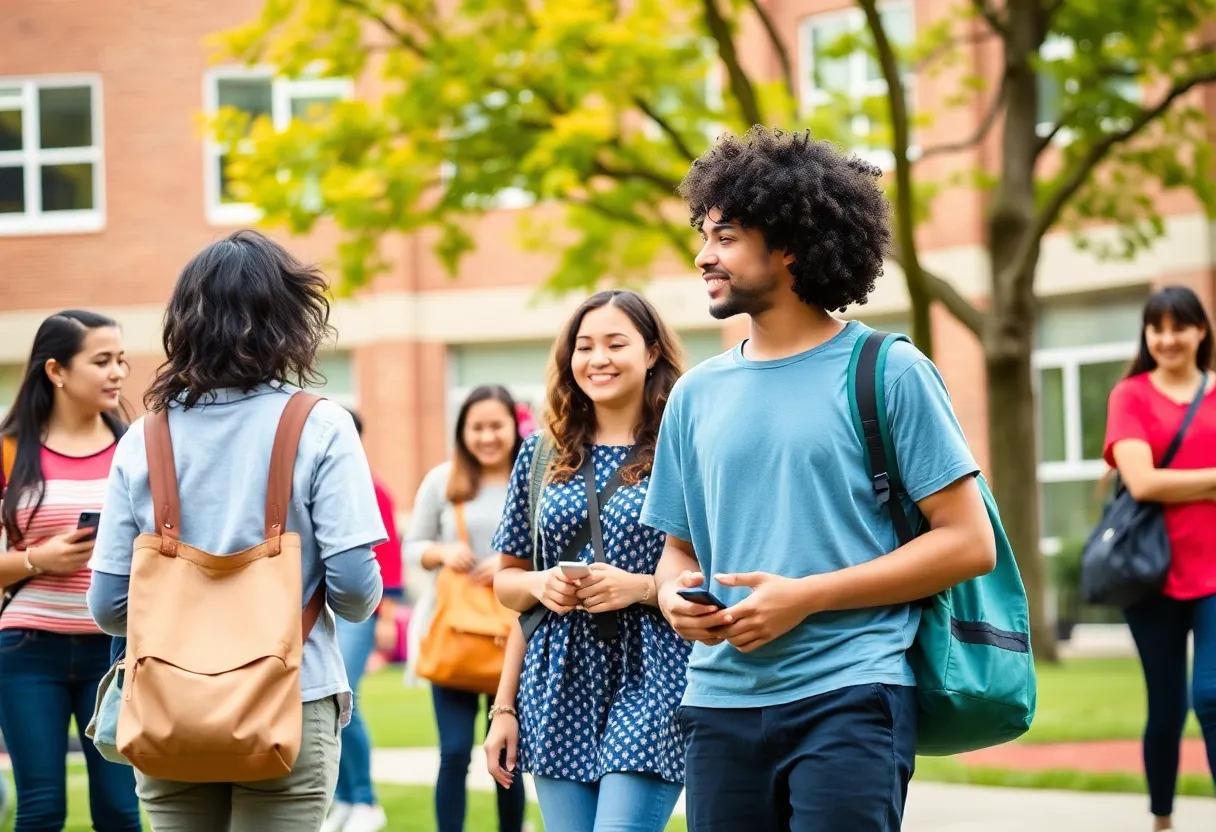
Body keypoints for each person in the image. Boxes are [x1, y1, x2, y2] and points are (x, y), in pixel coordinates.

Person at [641, 127, 997, 831]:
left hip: (852, 695)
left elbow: (967, 544)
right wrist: (670, 597)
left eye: (727, 236)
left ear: (791, 244)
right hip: (718, 706)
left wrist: (805, 598)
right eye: (704, 234)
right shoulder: (695, 394)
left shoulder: (890, 371)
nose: (703, 255)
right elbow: (678, 551)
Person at [86, 229, 386, 831]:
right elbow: (354, 592)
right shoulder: (321, 426)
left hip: (170, 709)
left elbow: (109, 606)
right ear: (288, 321)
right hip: (290, 701)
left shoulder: (143, 438)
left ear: (185, 323)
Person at [486, 289, 690, 832]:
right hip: (557, 677)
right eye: (584, 346)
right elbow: (507, 587)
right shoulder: (541, 452)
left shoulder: (683, 444)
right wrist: (504, 709)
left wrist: (641, 587)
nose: (598, 359)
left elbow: (708, 567)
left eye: (615, 344)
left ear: (651, 353)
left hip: (654, 669)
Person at [0, 310, 142, 832]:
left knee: (122, 813)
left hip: (116, 656)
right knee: (40, 810)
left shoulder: (137, 447)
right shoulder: (9, 448)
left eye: (121, 360)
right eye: (101, 361)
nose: (117, 373)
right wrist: (39, 558)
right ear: (56, 370)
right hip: (26, 651)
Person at [1102, 285, 1216, 832]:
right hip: (1151, 574)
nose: (1167, 338)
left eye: (1180, 326)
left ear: (1201, 331)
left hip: (1215, 574)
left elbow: (1158, 478)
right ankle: (1163, 818)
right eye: (1157, 328)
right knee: (1166, 708)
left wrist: (1186, 486)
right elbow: (1143, 482)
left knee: (1213, 697)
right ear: (1147, 336)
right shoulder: (1130, 396)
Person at [405, 385, 526, 832]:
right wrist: (441, 552)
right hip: (454, 633)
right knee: (454, 753)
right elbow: (411, 547)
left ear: (515, 427)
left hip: (513, 637)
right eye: (477, 427)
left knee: (508, 754)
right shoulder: (444, 480)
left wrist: (511, 560)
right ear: (462, 431)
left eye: (497, 425)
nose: (487, 436)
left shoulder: (532, 478)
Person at [321, 408, 404, 832]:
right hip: (319, 609)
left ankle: (367, 800)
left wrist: (387, 616)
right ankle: (342, 798)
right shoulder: (313, 482)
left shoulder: (374, 490)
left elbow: (388, 561)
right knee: (323, 701)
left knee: (345, 698)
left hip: (362, 609)